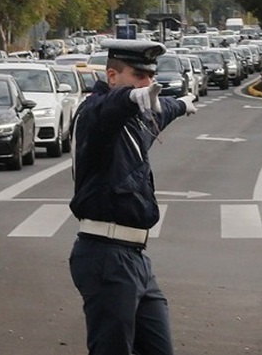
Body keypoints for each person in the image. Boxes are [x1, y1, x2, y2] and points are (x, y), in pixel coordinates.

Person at [68, 39, 197, 355]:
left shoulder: (139, 115)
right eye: (139, 75)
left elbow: (160, 109)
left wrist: (180, 104)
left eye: (151, 76)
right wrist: (130, 98)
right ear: (112, 77)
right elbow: (107, 110)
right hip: (105, 255)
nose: (148, 83)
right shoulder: (94, 115)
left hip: (136, 257)